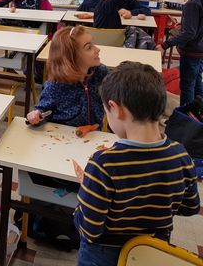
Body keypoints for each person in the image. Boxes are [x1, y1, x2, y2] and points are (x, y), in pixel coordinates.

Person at [74, 62, 200, 266]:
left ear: (116, 109)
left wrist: (87, 191)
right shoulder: (180, 155)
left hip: (105, 255)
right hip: (153, 252)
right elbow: (190, 207)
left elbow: (89, 229)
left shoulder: (103, 164)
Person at [27, 25, 107, 128]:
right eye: (89, 47)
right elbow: (42, 110)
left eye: (93, 44)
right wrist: (36, 115)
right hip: (61, 134)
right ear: (71, 57)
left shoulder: (101, 73)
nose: (97, 49)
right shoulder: (56, 84)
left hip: (94, 134)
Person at [157, 0, 203, 105]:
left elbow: (189, 33)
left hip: (191, 52)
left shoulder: (192, 4)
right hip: (200, 51)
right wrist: (185, 25)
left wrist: (165, 45)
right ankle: (198, 110)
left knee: (187, 85)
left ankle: (185, 114)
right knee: (197, 82)